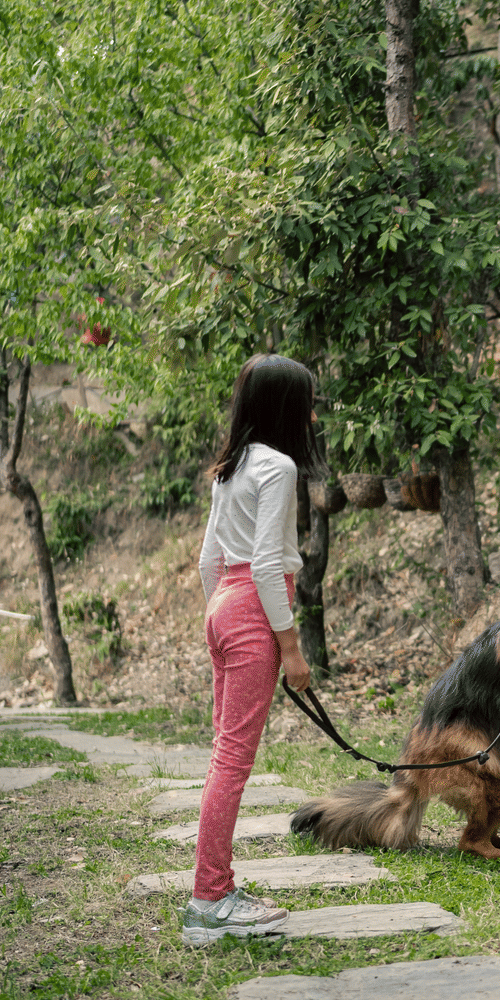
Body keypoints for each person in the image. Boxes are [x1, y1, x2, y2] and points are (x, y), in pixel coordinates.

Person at [183, 354, 325, 947]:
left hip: (224, 609)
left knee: (224, 756)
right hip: (252, 614)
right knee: (233, 762)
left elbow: (208, 560)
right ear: (288, 407)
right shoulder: (279, 467)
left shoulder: (230, 467)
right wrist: (289, 646)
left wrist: (220, 613)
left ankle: (211, 894)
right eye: (308, 403)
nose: (314, 414)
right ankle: (210, 899)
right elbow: (267, 563)